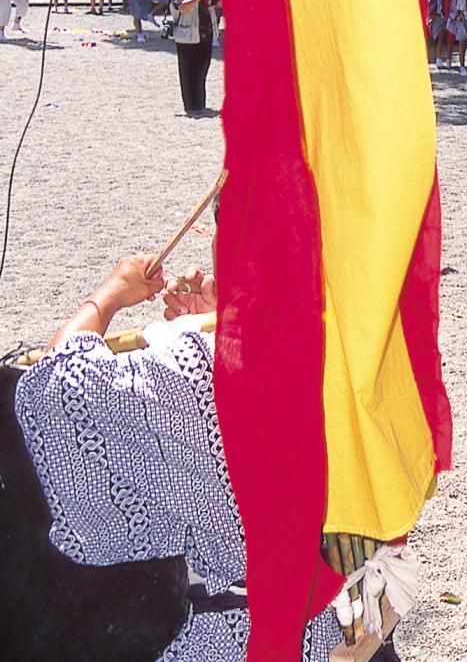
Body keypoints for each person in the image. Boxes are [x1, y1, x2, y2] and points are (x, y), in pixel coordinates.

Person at [12, 252, 357, 658]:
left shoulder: (189, 376)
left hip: (245, 638)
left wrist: (110, 296)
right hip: (335, 626)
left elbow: (55, 389)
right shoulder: (342, 335)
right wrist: (215, 325)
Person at [170, 0, 216, 116]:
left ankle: (200, 104)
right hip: (187, 34)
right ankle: (191, 106)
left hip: (204, 34)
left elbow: (214, 3)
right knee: (189, 71)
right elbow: (181, 6)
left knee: (202, 69)